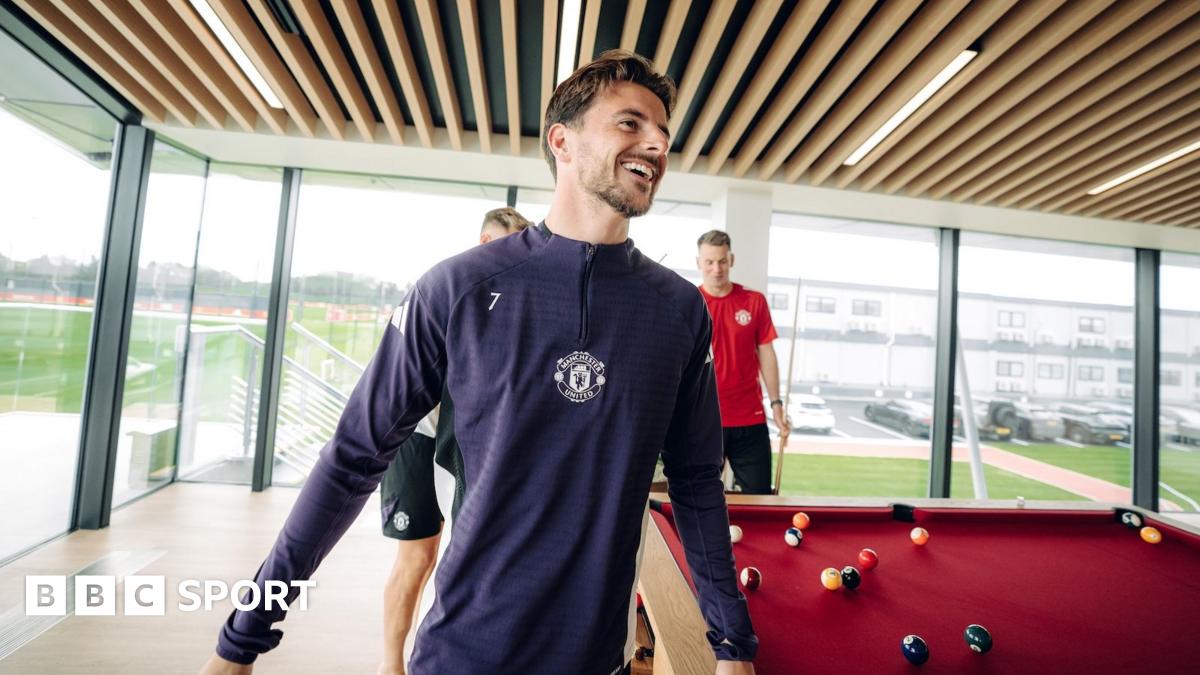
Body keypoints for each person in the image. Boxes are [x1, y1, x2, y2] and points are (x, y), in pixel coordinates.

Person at [201, 50, 756, 675]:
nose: (657, 142)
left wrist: (730, 641)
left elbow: (696, 480)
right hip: (463, 655)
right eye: (630, 123)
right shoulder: (456, 289)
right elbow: (352, 459)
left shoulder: (678, 310)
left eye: (662, 131)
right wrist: (244, 635)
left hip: (600, 659)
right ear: (562, 141)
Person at [377, 207, 530, 675]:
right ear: (486, 242)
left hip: (465, 443)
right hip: (415, 437)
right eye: (506, 246)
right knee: (417, 558)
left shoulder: (512, 300)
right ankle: (391, 665)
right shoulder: (445, 289)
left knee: (468, 555)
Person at [696, 230, 789, 494]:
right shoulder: (690, 301)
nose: (716, 269)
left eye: (722, 261)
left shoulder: (753, 301)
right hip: (704, 421)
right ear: (699, 263)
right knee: (699, 499)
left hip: (750, 419)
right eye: (709, 262)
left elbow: (766, 354)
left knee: (759, 498)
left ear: (732, 259)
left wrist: (776, 403)